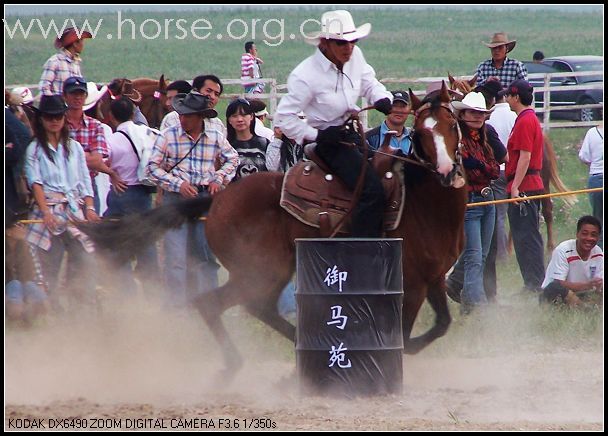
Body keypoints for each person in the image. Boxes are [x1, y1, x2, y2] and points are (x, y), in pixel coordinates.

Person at [274, 9, 393, 238]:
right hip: (329, 143)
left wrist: (381, 97)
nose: (348, 48)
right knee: (371, 190)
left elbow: (369, 82)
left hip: (352, 135)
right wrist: (316, 135)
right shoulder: (305, 75)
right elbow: (284, 118)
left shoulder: (355, 56)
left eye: (353, 41)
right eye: (341, 43)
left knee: (390, 172)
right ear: (326, 42)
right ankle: (359, 251)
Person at [146, 91, 239, 308]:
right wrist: (179, 184)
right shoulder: (168, 135)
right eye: (181, 114)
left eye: (188, 115)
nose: (183, 119)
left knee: (205, 255)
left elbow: (232, 158)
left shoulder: (215, 136)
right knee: (176, 257)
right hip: (175, 201)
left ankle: (209, 306)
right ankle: (176, 307)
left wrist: (219, 177)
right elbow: (151, 168)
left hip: (205, 198)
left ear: (200, 117)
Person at [24, 95, 100, 311]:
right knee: (49, 264)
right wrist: (45, 211)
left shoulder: (74, 147)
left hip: (74, 208)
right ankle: (53, 309)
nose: (54, 121)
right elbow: (35, 182)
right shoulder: (35, 149)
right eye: (49, 117)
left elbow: (85, 179)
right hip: (48, 209)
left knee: (86, 256)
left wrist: (90, 207)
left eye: (57, 116)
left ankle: (82, 305)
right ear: (42, 119)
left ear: (63, 118)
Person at [445, 92, 500, 312]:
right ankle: (474, 304)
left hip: (487, 198)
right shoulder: (457, 140)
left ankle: (457, 285)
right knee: (476, 255)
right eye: (474, 113)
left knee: (481, 254)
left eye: (481, 113)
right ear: (463, 114)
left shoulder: (484, 139)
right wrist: (481, 167)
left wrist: (479, 165)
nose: (478, 117)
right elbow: (471, 171)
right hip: (470, 200)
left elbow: (494, 170)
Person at [104, 97, 160, 297]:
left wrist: (111, 173)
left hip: (121, 191)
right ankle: (153, 291)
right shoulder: (148, 133)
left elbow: (95, 160)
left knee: (113, 238)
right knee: (145, 241)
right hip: (144, 193)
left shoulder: (112, 140)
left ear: (110, 116)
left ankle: (126, 290)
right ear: (133, 113)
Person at [502, 79, 546, 292]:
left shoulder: (525, 121)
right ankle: (532, 282)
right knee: (524, 236)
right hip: (527, 183)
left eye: (508, 96)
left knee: (526, 237)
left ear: (516, 96)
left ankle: (534, 284)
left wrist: (515, 188)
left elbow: (525, 157)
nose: (506, 99)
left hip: (525, 184)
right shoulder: (527, 119)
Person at [63, 76, 126, 213]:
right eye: (73, 93)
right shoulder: (58, 123)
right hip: (62, 185)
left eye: (81, 94)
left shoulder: (95, 125)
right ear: (65, 96)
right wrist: (86, 155)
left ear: (85, 96)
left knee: (90, 229)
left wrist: (70, 153)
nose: (77, 97)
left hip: (88, 185)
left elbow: (96, 161)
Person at [540, 216, 603, 306]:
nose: (589, 238)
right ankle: (584, 308)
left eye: (593, 235)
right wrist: (587, 285)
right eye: (585, 233)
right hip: (556, 293)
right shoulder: (563, 250)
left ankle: (587, 307)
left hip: (582, 293)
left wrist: (598, 285)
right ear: (577, 234)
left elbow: (598, 283)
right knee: (555, 288)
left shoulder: (598, 253)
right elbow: (559, 283)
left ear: (598, 237)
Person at [487, 81, 517, 260]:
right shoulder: (514, 116)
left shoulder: (489, 118)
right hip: (515, 169)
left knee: (498, 216)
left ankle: (501, 255)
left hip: (497, 170)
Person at [39, 27, 92, 96]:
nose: (83, 44)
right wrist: (55, 102)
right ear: (75, 44)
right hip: (57, 105)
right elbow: (44, 88)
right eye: (81, 40)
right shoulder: (55, 62)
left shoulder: (76, 63)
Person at [226, 98, 270, 180]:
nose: (240, 120)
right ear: (229, 120)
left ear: (252, 117)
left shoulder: (265, 143)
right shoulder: (225, 145)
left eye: (244, 115)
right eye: (234, 116)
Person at [366, 90, 412, 154]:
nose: (398, 110)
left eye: (403, 106)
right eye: (394, 105)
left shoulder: (415, 139)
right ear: (387, 107)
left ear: (409, 109)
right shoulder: (369, 138)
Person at [578, 123, 603, 227]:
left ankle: (600, 242)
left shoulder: (592, 132)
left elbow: (584, 156)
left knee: (599, 219)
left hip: (597, 178)